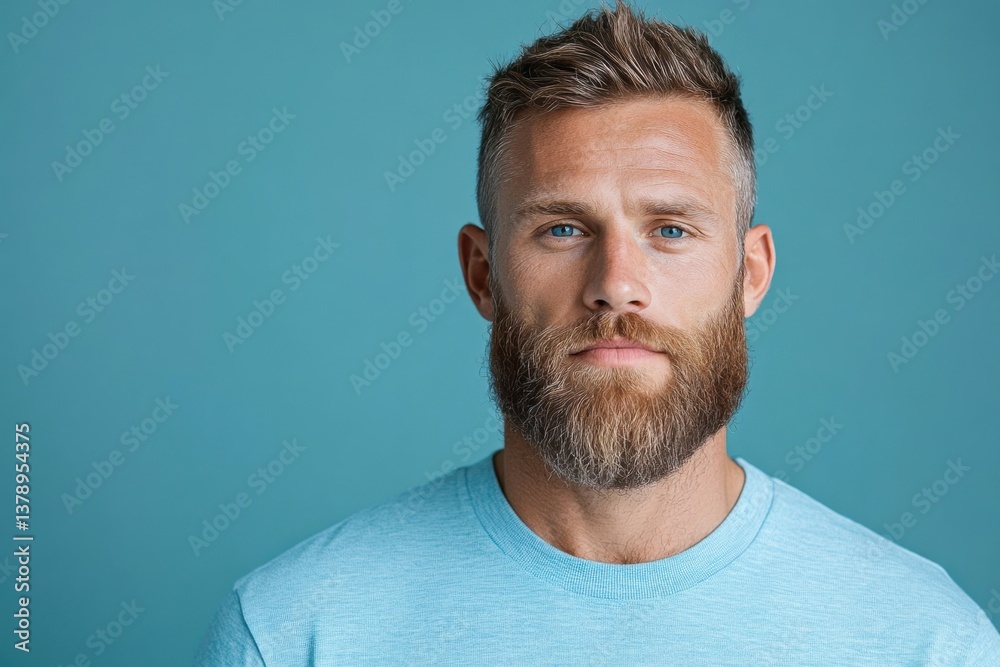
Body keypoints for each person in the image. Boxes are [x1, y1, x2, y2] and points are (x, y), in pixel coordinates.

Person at [194, 2, 1000, 664]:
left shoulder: (927, 642)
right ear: (482, 274)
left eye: (672, 230)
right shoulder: (298, 632)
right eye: (562, 229)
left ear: (751, 273)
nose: (616, 283)